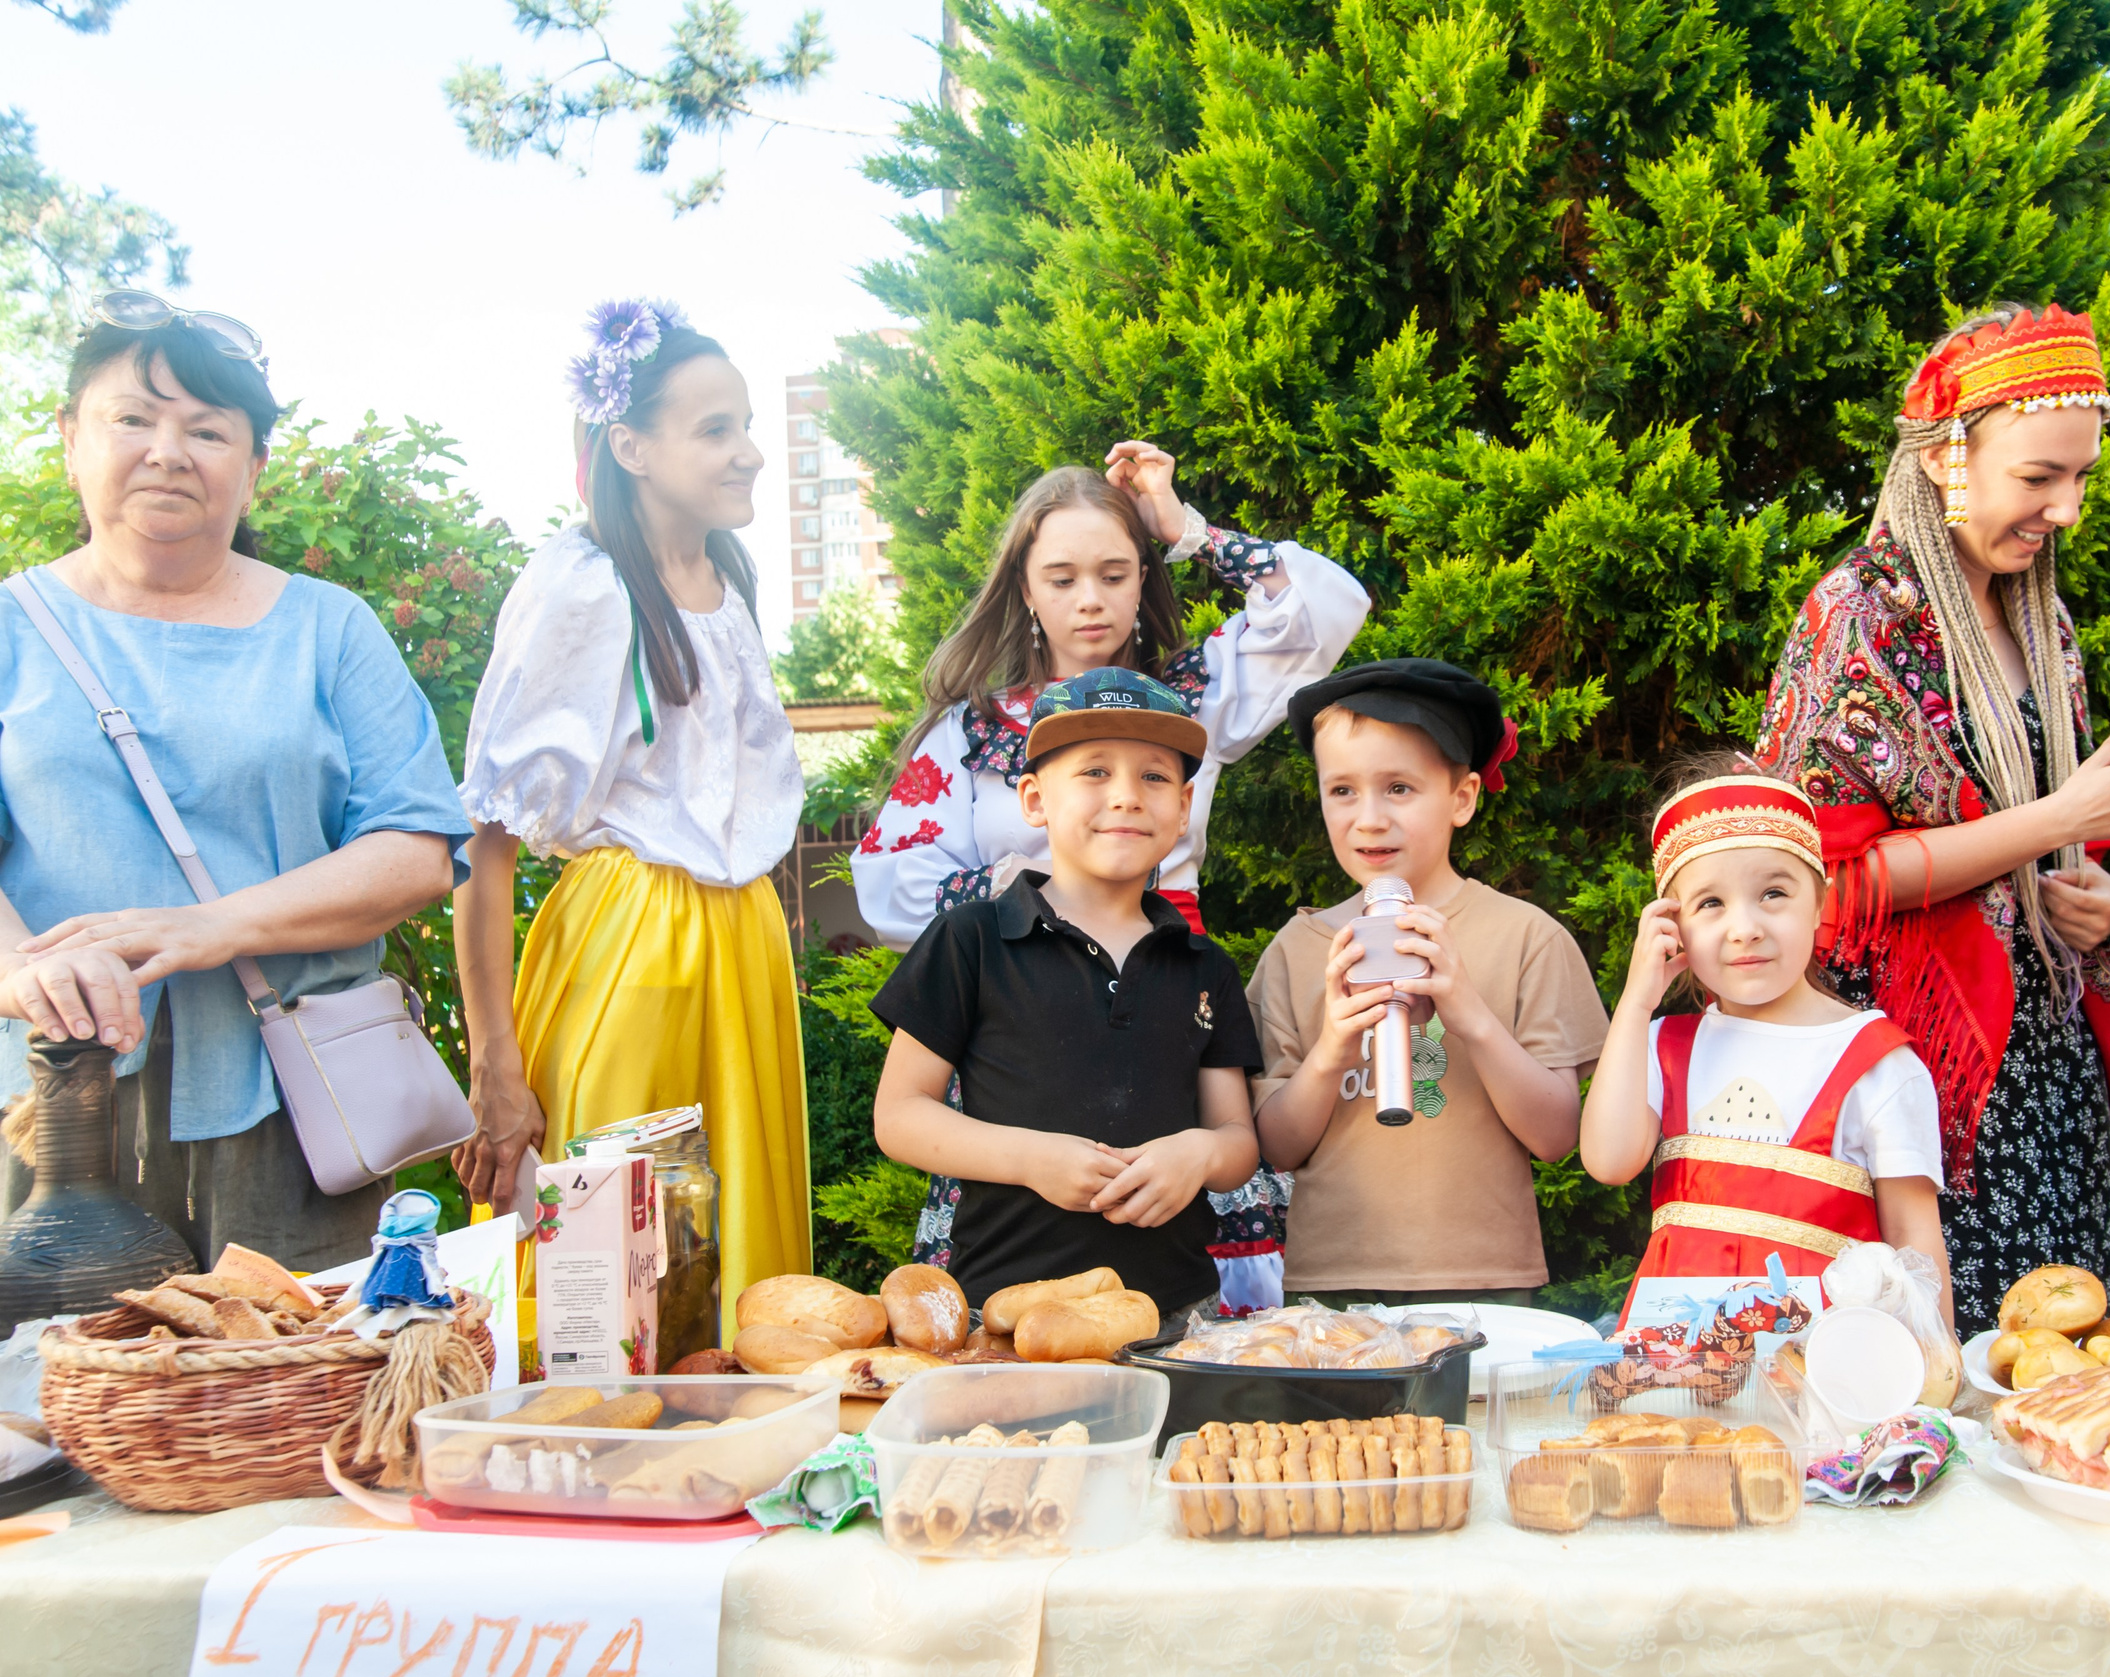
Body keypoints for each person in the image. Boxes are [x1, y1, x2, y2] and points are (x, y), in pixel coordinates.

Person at [0, 294, 468, 1271]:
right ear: (72, 438)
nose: (168, 452)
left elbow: (416, 850)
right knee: (56, 1370)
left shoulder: (330, 629)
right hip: (55, 1117)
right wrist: (23, 970)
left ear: (252, 469)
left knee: (300, 1362)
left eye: (208, 431)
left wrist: (211, 927)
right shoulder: (10, 629)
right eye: (134, 418)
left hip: (296, 1104)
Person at [1755, 303, 2110, 1334]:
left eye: (2081, 477)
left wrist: (2093, 893)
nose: (2066, 509)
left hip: (2042, 1062)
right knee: (1941, 1359)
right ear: (1946, 458)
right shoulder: (1859, 616)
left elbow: (2043, 844)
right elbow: (1822, 883)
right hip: (1915, 1075)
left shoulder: (2042, 620)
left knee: (2065, 1361)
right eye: (2039, 478)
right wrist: (2056, 820)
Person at [854, 444, 1368, 1305]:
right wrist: (1049, 886)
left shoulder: (1189, 696)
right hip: (1023, 995)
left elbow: (1326, 609)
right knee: (1020, 1284)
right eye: (1061, 578)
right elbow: (888, 880)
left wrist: (1185, 526)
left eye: (1114, 572)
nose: (1089, 598)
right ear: (1026, 589)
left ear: (1142, 579)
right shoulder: (974, 730)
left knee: (1179, 1263)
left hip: (1167, 983)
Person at [451, 301, 807, 1328]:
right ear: (630, 447)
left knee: (735, 1276)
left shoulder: (728, 577)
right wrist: (494, 1061)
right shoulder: (583, 586)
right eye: (715, 430)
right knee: (607, 1276)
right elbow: (486, 842)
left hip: (743, 945)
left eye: (747, 426)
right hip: (631, 943)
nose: (749, 453)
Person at [867, 668, 1263, 1320]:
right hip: (1005, 1317)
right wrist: (1030, 1158)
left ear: (1184, 807)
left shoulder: (1204, 966)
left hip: (1174, 1316)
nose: (1127, 796)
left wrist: (1200, 1153)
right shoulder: (971, 941)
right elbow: (900, 1115)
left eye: (1154, 777)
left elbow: (1236, 1137)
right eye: (1095, 772)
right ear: (1034, 799)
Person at [1247, 658, 1608, 1308]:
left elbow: (1556, 1137)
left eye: (1399, 788)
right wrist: (1331, 1048)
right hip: (1332, 1286)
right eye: (1342, 790)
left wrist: (1469, 1014)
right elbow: (1276, 1146)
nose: (1369, 818)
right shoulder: (1296, 951)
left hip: (1485, 1281)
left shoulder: (1526, 937)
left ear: (1462, 798)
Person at [1579, 758, 1953, 1329]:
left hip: (1820, 1364)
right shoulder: (1662, 1046)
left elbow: (1914, 1240)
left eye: (1774, 893)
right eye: (1710, 904)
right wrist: (1635, 1003)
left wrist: (1936, 1364)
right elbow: (1608, 1162)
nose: (1745, 928)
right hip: (1672, 1359)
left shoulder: (1876, 1061)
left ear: (1821, 902)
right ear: (1673, 926)